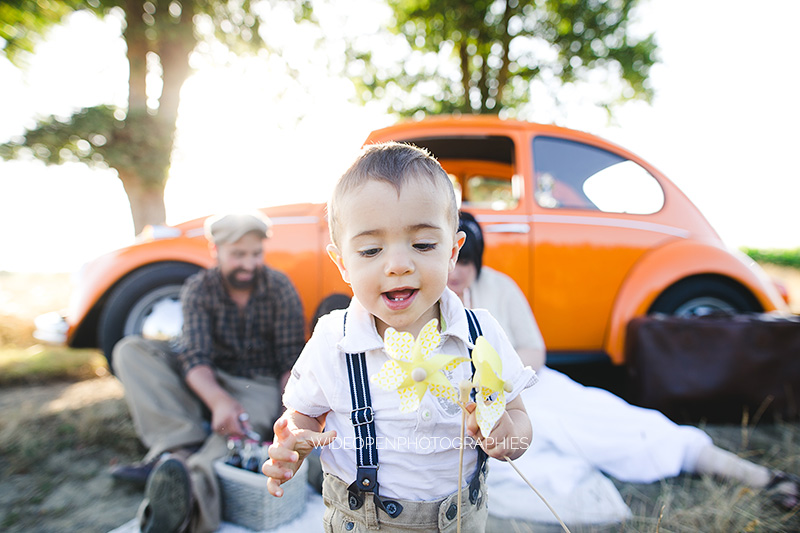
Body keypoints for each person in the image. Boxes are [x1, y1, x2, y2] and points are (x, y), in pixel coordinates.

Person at [449, 211, 800, 527]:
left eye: (467, 263)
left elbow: (533, 349)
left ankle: (750, 473)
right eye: (454, 262)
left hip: (526, 387)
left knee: (612, 421)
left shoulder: (501, 287)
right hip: (469, 408)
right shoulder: (430, 297)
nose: (458, 273)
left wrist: (501, 379)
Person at [263, 142, 537, 532]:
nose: (397, 265)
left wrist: (508, 437)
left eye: (423, 244)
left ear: (453, 252)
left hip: (460, 521)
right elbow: (304, 413)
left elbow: (519, 418)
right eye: (371, 250)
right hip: (363, 521)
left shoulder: (479, 334)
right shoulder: (333, 340)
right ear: (342, 263)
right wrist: (293, 438)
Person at [111, 211, 306, 533]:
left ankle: (188, 504)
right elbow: (194, 357)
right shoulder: (199, 288)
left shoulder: (279, 287)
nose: (249, 264)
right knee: (130, 351)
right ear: (215, 251)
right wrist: (217, 400)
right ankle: (177, 449)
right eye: (238, 255)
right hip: (207, 379)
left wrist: (288, 416)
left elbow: (290, 362)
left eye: (255, 254)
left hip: (257, 385)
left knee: (233, 437)